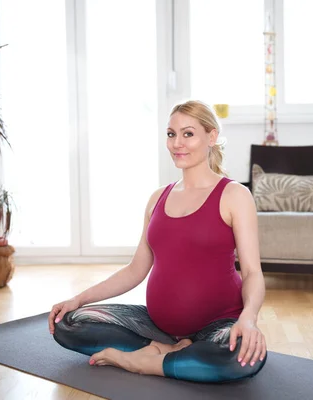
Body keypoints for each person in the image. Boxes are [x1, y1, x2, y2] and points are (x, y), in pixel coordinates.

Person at [48, 100, 267, 383]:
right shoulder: (158, 198)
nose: (177, 143)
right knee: (68, 323)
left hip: (218, 327)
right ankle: (169, 351)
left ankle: (139, 361)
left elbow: (251, 272)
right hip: (157, 325)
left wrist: (248, 318)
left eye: (188, 134)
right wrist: (78, 298)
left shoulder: (234, 195)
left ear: (211, 137)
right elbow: (135, 269)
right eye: (171, 134)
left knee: (241, 358)